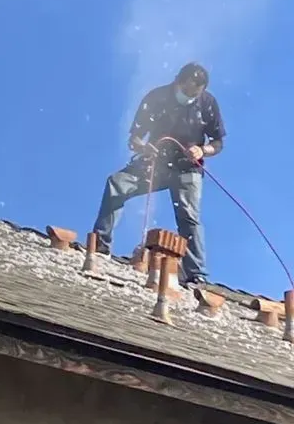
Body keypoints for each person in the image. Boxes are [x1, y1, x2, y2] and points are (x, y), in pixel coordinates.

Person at [93, 62, 225, 285]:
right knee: (117, 184)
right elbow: (134, 138)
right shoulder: (156, 98)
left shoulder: (208, 104)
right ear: (178, 82)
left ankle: (196, 274)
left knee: (189, 216)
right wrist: (142, 147)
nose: (190, 97)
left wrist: (202, 150)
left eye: (195, 94)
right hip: (155, 163)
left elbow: (218, 143)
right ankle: (100, 247)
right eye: (187, 92)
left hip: (188, 169)